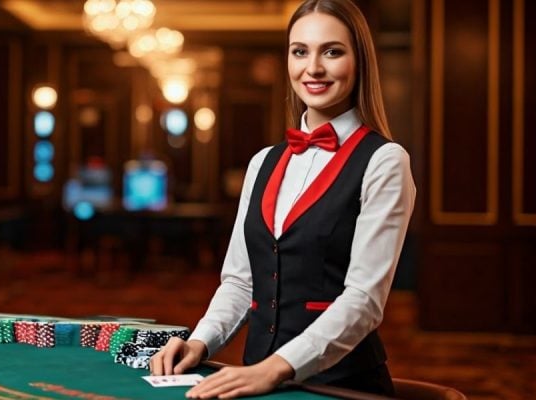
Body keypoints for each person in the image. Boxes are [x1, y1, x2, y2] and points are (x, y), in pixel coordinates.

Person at [149, 0, 416, 398]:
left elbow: (363, 301)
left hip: (338, 385)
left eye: (332, 51)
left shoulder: (385, 161)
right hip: (256, 380)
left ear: (360, 62)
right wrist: (200, 341)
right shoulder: (263, 162)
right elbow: (241, 282)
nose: (313, 68)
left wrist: (276, 369)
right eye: (299, 51)